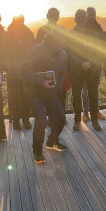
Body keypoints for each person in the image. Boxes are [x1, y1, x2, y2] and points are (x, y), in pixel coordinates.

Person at [24, 26, 69, 164]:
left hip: (51, 91)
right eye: (60, 41)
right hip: (35, 91)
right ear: (51, 40)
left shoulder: (62, 54)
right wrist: (41, 82)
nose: (62, 44)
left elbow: (62, 72)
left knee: (61, 118)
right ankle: (37, 151)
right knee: (42, 120)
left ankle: (52, 142)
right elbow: (25, 71)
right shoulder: (35, 50)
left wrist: (58, 86)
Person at [4, 15, 34, 130]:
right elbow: (4, 53)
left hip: (26, 71)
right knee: (14, 97)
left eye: (21, 22)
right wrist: (10, 66)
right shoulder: (8, 35)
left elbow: (32, 51)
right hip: (12, 72)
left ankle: (25, 119)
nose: (19, 24)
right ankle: (16, 120)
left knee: (26, 97)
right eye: (18, 22)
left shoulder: (28, 34)